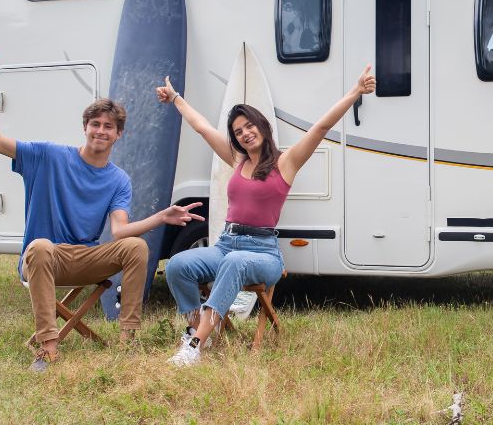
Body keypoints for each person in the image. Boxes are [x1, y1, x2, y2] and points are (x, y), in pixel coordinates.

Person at [0, 52, 204, 371]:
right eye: (96, 124)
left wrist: (162, 217)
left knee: (136, 246)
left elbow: (120, 231)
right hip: (44, 258)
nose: (101, 131)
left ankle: (128, 340)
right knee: (39, 246)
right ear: (85, 127)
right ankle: (48, 349)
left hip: (86, 258)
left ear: (118, 134)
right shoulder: (47, 156)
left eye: (109, 127)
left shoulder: (118, 179)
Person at [158, 65, 375, 366]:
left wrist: (355, 92)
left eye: (249, 126)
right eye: (237, 132)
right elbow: (202, 127)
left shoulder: (286, 163)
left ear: (261, 126)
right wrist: (175, 98)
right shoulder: (236, 159)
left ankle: (196, 345)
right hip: (226, 245)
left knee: (235, 263)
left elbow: (321, 128)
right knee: (177, 265)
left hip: (263, 253)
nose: (245, 133)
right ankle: (197, 325)